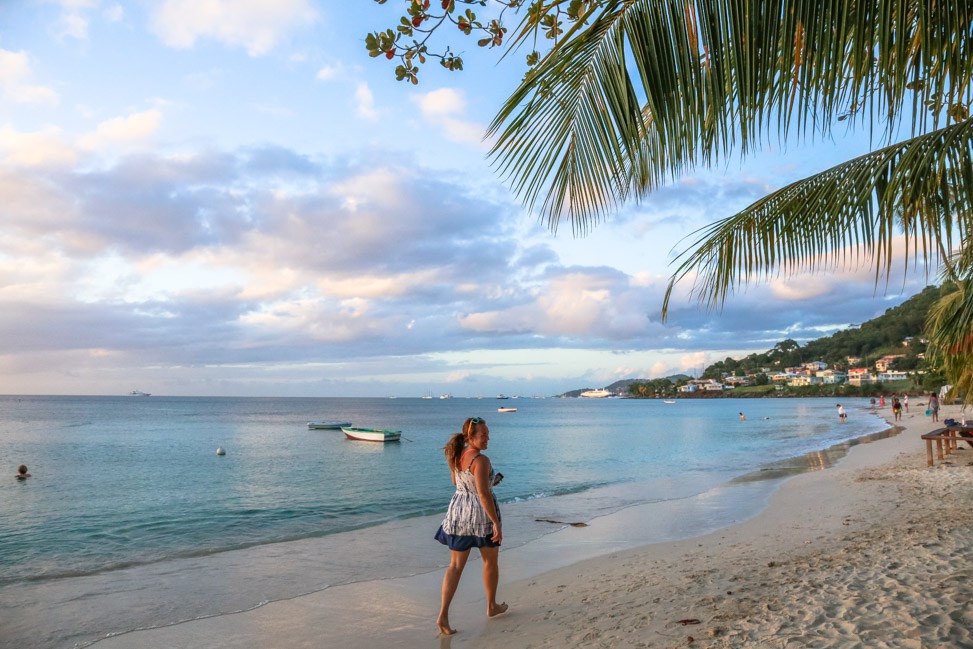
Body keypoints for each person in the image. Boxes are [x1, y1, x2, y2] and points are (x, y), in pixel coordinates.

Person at [434, 417, 507, 636]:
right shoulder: (481, 460)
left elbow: (456, 483)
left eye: (488, 433)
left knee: (455, 566)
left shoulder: (458, 454)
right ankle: (491, 606)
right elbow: (483, 494)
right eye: (483, 434)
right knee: (490, 561)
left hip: (458, 512)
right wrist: (495, 523)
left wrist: (481, 484)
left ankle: (443, 616)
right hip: (480, 516)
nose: (487, 438)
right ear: (470, 436)